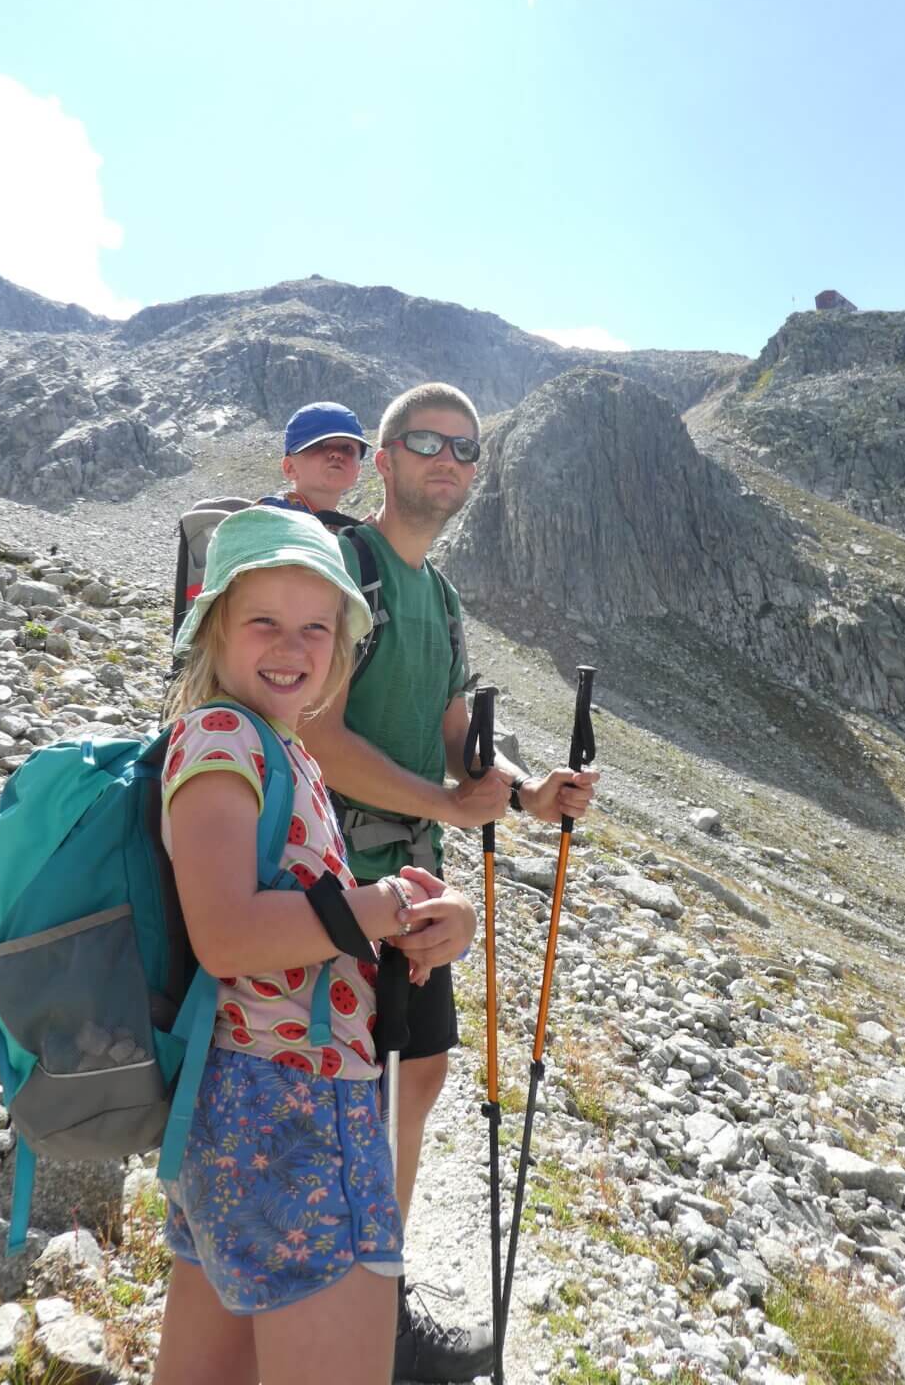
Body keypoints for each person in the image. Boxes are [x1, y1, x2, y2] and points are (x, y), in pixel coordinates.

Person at [303, 382, 600, 1383]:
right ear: (382, 459)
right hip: (335, 874)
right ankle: (332, 1316)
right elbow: (317, 733)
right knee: (349, 1093)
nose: (448, 461)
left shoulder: (441, 596)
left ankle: (375, 1310)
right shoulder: (350, 569)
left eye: (466, 450)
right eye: (425, 442)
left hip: (416, 883)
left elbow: (448, 728)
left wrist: (523, 795)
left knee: (415, 1079)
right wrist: (446, 797)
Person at [152, 504, 477, 1385]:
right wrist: (373, 910)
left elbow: (301, 918)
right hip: (291, 1113)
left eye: (318, 628)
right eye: (263, 621)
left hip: (238, 1111)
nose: (292, 647)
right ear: (214, 625)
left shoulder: (278, 747)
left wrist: (421, 918)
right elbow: (226, 936)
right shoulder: (223, 737)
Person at [259, 400, 369, 517]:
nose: (337, 454)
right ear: (290, 468)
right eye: (321, 445)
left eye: (347, 448)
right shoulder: (268, 517)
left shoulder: (343, 529)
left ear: (358, 471)